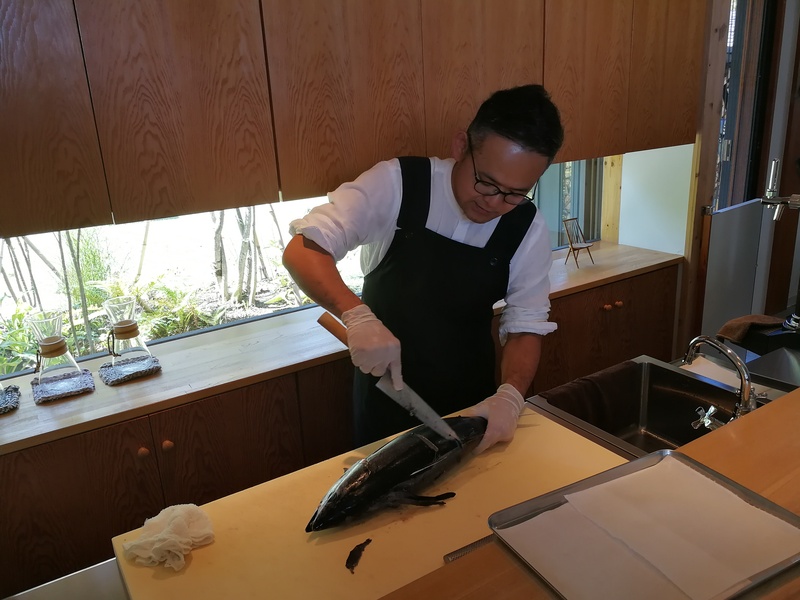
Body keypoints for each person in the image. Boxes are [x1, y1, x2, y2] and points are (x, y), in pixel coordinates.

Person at [282, 84, 564, 453]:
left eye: (515, 193)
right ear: (461, 146)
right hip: (385, 399)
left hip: (472, 407)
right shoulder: (398, 184)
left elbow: (526, 324)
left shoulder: (527, 226)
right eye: (486, 183)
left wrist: (510, 394)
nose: (495, 203)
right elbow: (304, 250)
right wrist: (356, 316)